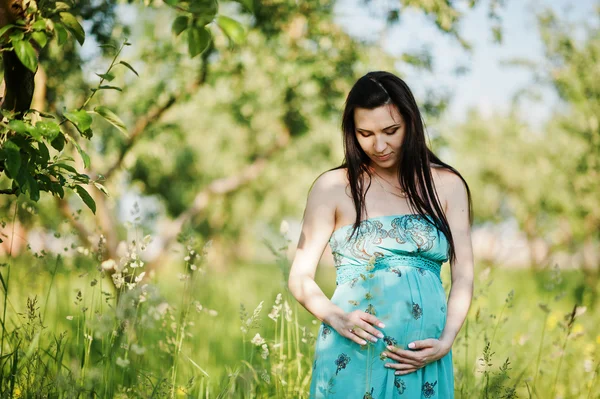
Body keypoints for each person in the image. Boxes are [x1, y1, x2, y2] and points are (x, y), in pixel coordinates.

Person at [288, 71, 474, 398]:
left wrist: (446, 341)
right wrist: (336, 317)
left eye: (391, 131)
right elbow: (300, 277)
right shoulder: (333, 187)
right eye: (365, 133)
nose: (379, 145)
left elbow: (463, 277)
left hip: (423, 359)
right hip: (352, 353)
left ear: (411, 123)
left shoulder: (446, 185)